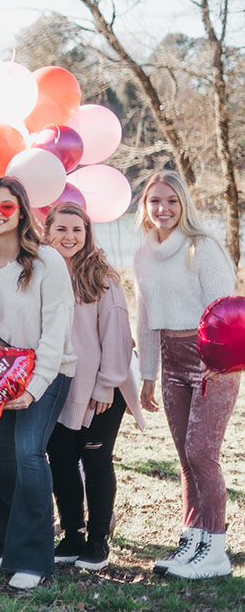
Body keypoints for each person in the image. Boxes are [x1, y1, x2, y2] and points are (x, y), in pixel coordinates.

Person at [0, 177, 75, 591]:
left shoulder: (47, 261)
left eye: (6, 206)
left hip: (48, 368)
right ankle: (4, 542)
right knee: (3, 455)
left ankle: (34, 558)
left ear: (22, 212)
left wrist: (33, 387)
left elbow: (56, 330)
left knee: (28, 453)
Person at [134, 170, 238, 579]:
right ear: (145, 205)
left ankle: (215, 549)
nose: (163, 209)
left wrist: (219, 365)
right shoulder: (143, 253)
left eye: (172, 201)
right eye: (155, 200)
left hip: (212, 361)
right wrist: (147, 374)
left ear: (184, 205)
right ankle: (192, 538)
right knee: (184, 458)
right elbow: (144, 317)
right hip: (170, 359)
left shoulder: (202, 247)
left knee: (201, 453)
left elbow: (226, 312)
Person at [44, 202, 145, 571]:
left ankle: (97, 540)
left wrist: (104, 387)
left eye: (77, 230)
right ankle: (72, 534)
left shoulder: (103, 277)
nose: (69, 237)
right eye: (62, 229)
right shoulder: (41, 271)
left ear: (87, 234)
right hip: (56, 387)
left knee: (96, 460)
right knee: (62, 462)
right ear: (47, 232)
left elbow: (117, 338)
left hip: (103, 388)